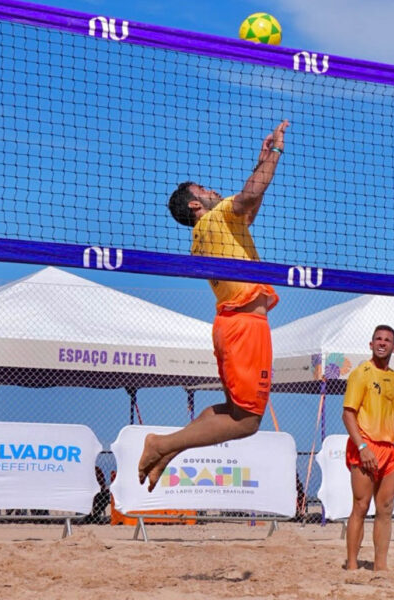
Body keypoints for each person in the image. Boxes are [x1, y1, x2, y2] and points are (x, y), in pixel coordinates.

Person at [137, 119, 289, 493]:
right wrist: (275, 153)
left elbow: (248, 210)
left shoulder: (204, 234)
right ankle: (162, 444)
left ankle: (168, 452)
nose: (211, 189)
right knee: (247, 422)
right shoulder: (217, 217)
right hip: (244, 326)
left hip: (229, 326)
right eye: (203, 189)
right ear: (196, 203)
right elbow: (248, 198)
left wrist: (260, 163)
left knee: (230, 412)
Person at [342, 325, 394, 571]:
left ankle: (380, 567)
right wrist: (362, 446)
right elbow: (348, 414)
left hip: (388, 450)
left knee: (386, 508)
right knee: (360, 505)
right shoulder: (361, 373)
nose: (382, 342)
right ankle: (353, 566)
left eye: (387, 340)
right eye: (378, 338)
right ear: (370, 344)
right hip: (365, 446)